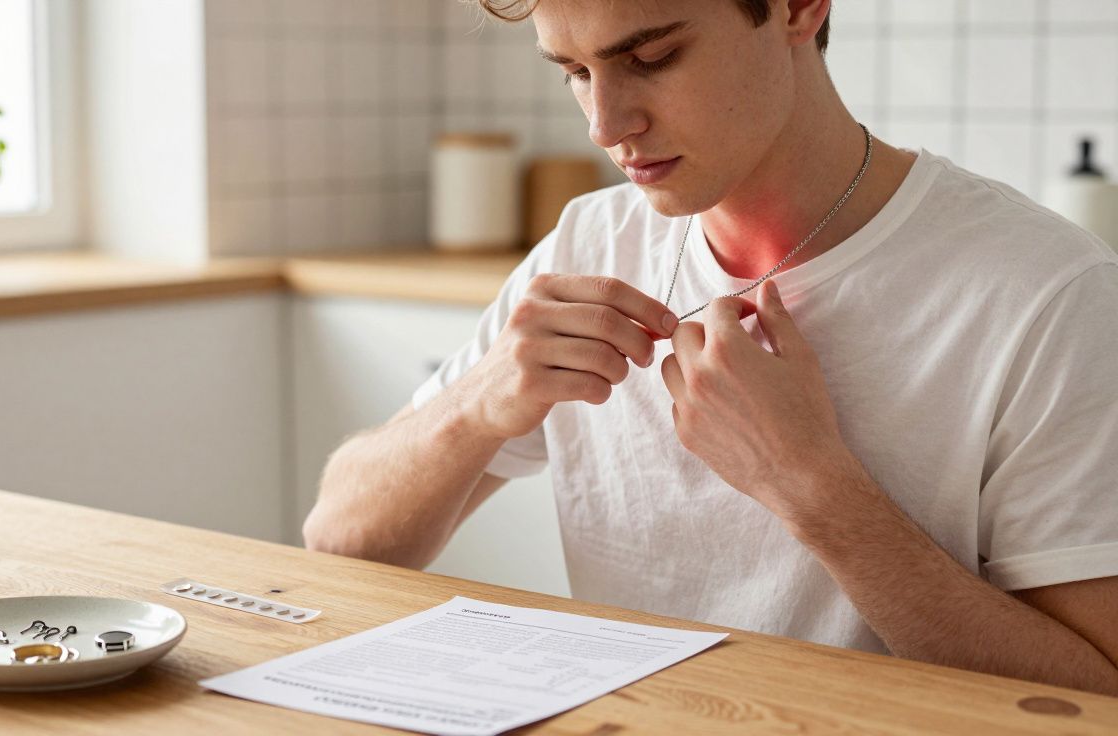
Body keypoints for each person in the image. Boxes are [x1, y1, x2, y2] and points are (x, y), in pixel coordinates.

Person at [303, 0, 1118, 695]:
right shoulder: (590, 241)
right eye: (575, 72)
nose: (604, 124)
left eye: (652, 56)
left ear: (799, 7)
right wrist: (474, 406)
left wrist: (812, 487)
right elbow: (340, 538)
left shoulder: (1044, 293)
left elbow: (1097, 698)